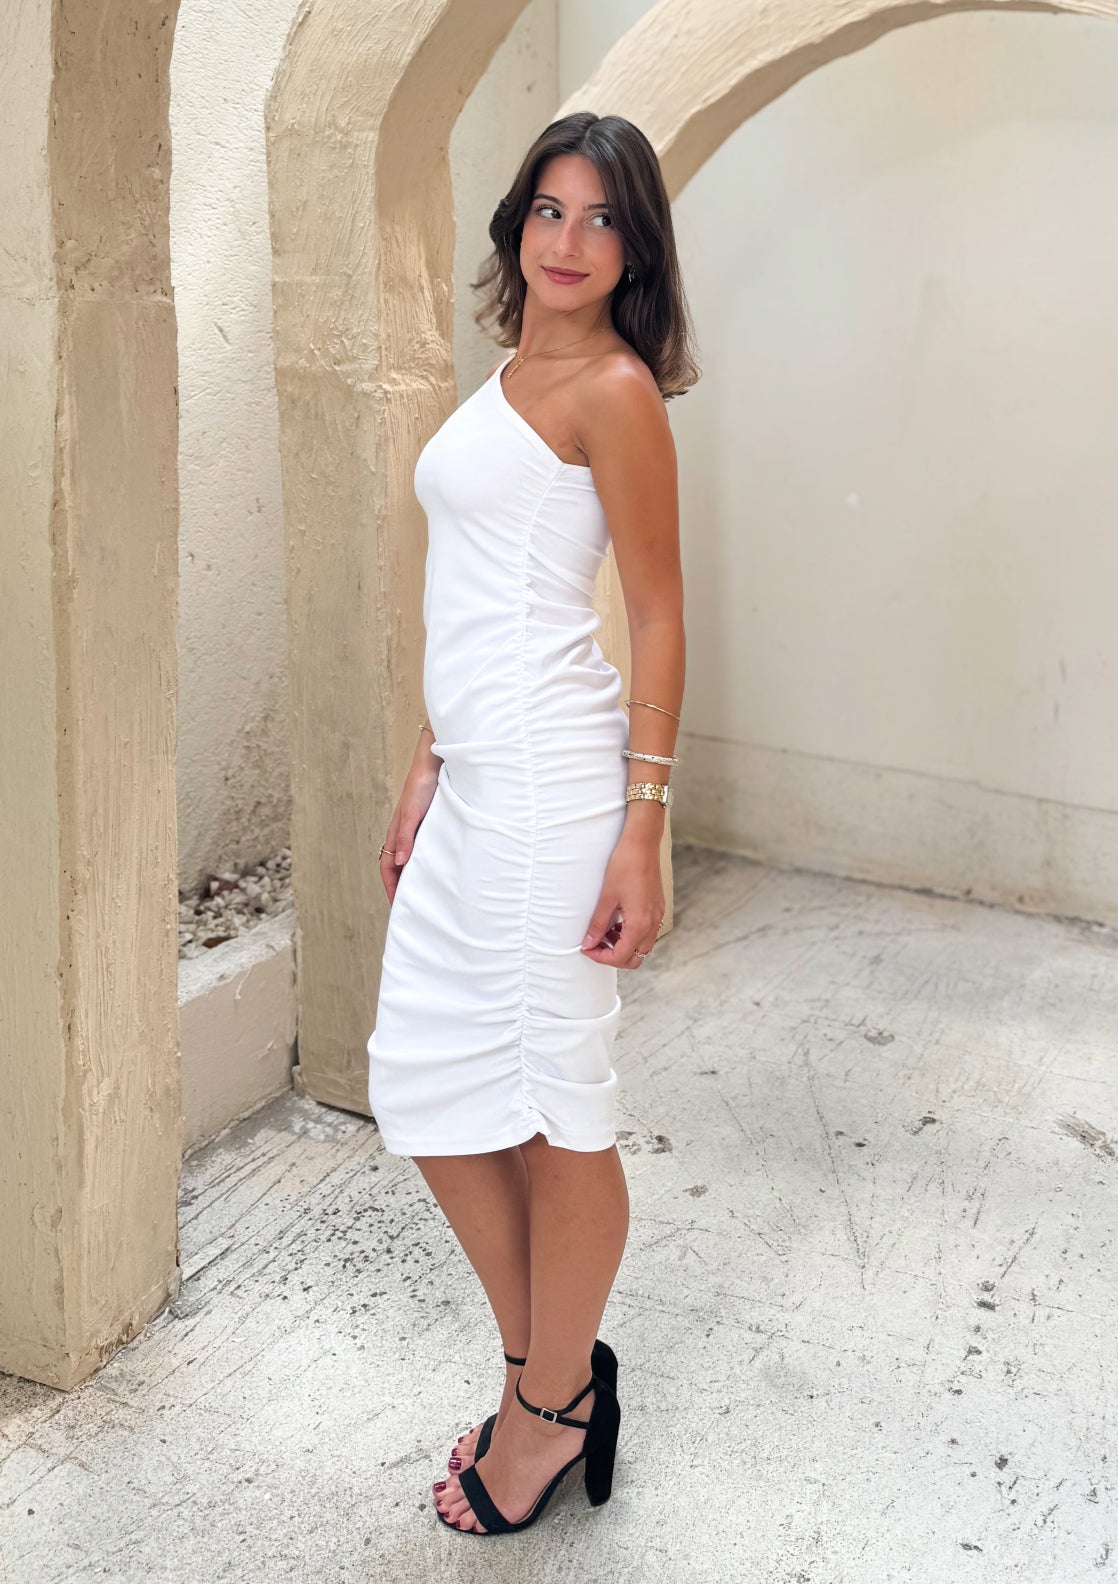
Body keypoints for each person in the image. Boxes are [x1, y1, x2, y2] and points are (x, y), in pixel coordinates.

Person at [365, 111, 697, 1536]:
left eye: (602, 218)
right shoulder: (511, 375)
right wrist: (428, 756)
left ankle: (544, 1411)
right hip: (476, 786)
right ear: (516, 225)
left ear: (635, 248)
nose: (569, 241)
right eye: (549, 210)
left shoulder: (615, 391)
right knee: (431, 1088)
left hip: (558, 797)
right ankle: (547, 1379)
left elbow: (659, 615)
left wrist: (644, 829)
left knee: (556, 1109)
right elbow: (479, 591)